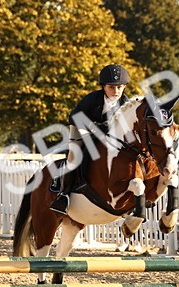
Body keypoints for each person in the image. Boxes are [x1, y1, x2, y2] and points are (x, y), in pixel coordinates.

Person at [51, 64, 131, 214]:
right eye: (111, 87)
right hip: (81, 127)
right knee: (75, 154)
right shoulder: (92, 99)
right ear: (103, 86)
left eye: (119, 87)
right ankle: (64, 194)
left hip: (108, 134)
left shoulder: (126, 104)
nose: (116, 91)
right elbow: (74, 117)